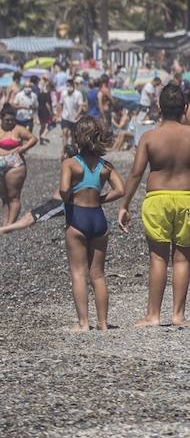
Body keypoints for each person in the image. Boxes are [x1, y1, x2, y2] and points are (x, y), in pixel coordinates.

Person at [117, 84, 190, 326]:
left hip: (157, 199)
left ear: (159, 107)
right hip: (186, 197)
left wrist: (124, 205)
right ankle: (178, 315)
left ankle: (153, 315)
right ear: (185, 108)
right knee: (182, 258)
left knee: (158, 258)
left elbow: (136, 174)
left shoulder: (149, 137)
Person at [60, 117, 126, 332]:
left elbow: (62, 190)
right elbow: (121, 190)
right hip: (98, 218)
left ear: (77, 137)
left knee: (79, 272)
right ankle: (103, 323)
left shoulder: (70, 163)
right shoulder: (105, 166)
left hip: (78, 217)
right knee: (98, 273)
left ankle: (83, 323)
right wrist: (101, 199)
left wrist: (70, 197)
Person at [0, 104, 39, 227]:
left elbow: (33, 138)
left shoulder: (18, 129)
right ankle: (5, 224)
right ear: (1, 118)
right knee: (4, 198)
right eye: (7, 120)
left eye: (12, 120)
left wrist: (22, 148)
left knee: (13, 196)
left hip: (14, 164)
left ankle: (10, 225)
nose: (10, 122)